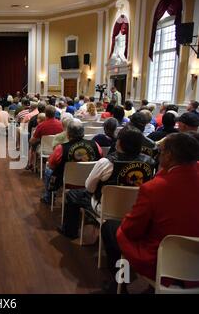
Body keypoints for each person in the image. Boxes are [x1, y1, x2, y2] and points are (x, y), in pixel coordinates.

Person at [101, 133, 199, 291]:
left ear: (169, 155)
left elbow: (131, 230)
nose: (159, 154)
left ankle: (120, 283)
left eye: (161, 151)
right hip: (194, 263)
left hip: (162, 261)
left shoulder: (154, 188)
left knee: (113, 230)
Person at [58, 126, 155, 239]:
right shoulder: (150, 162)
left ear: (119, 143)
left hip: (106, 208)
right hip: (136, 208)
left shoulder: (106, 163)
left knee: (72, 194)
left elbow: (89, 188)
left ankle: (70, 231)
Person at [41, 121, 103, 204]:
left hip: (66, 181)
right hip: (90, 180)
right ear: (83, 133)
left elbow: (51, 165)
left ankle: (48, 197)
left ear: (68, 134)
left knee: (48, 170)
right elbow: (100, 161)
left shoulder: (61, 148)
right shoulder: (95, 145)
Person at [28, 106, 63, 170]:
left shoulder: (41, 125)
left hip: (44, 150)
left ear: (45, 113)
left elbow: (33, 140)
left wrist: (30, 141)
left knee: (33, 145)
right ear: (54, 113)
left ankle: (31, 164)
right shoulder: (61, 124)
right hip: (58, 150)